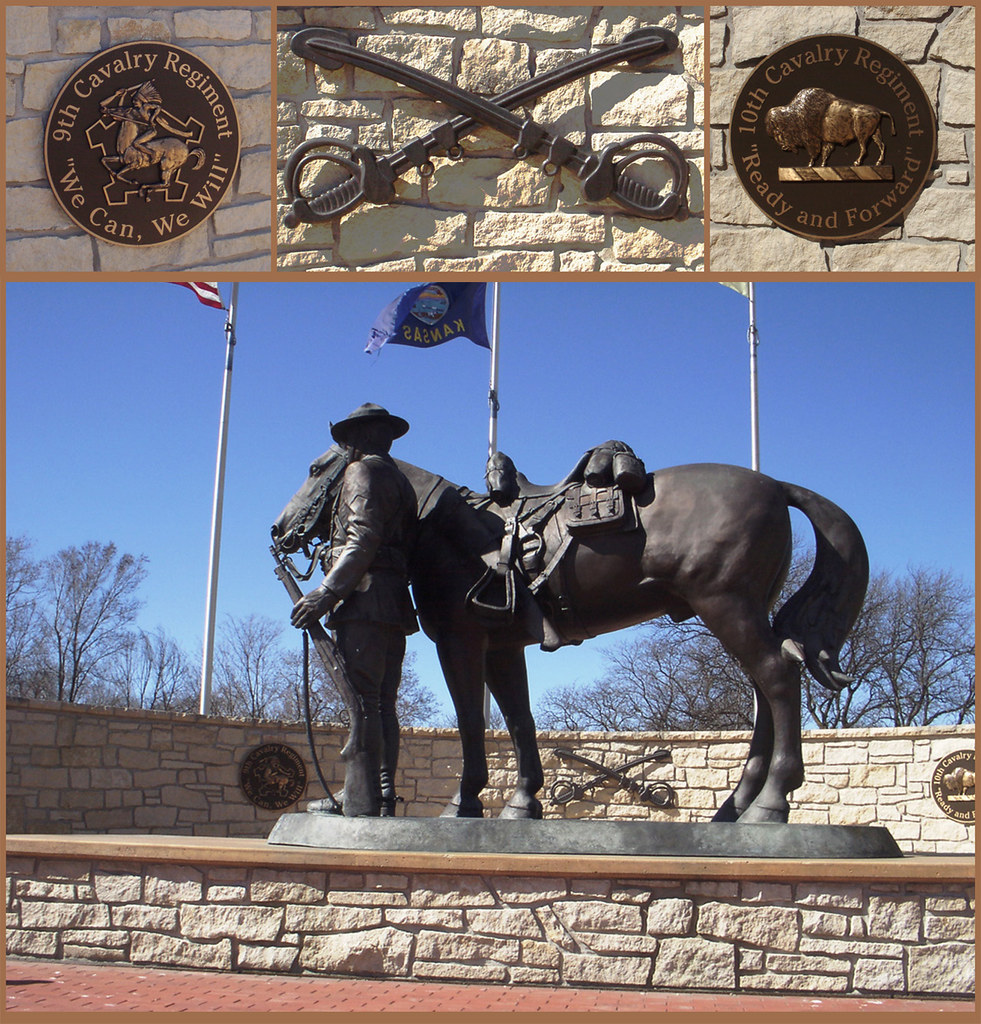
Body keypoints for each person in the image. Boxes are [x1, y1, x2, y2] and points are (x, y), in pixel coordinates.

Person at [290, 403, 418, 817]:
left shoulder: (361, 473)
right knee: (381, 702)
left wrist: (323, 594)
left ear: (360, 439)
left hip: (363, 601)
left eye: (347, 440)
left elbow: (362, 540)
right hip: (394, 602)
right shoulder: (400, 480)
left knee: (363, 701)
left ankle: (360, 796)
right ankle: (380, 794)